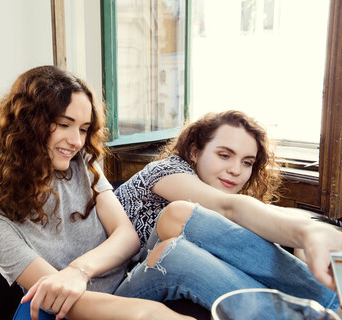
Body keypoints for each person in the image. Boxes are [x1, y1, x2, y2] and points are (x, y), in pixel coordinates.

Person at [0, 65, 196, 320]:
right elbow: (58, 296)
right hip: (72, 309)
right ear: (27, 125)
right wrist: (148, 312)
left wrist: (79, 270)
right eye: (65, 124)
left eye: (83, 129)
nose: (77, 141)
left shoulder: (82, 164)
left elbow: (127, 237)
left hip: (125, 288)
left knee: (179, 252)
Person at [113, 110, 341, 311]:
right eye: (224, 155)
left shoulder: (212, 193)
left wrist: (306, 240)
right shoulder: (165, 171)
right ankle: (329, 303)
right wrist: (306, 233)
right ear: (194, 152)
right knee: (177, 233)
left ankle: (328, 303)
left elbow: (271, 212)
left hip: (155, 268)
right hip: (115, 292)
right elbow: (228, 207)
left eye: (247, 162)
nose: (235, 170)